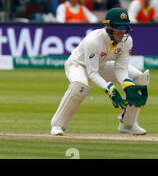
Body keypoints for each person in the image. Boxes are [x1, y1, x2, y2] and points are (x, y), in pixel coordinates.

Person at [50, 7, 150, 136]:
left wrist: (127, 84)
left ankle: (128, 124)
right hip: (78, 65)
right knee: (80, 86)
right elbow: (92, 73)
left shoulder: (127, 41)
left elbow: (121, 69)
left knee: (139, 78)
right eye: (118, 27)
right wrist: (110, 89)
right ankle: (58, 125)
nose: (122, 32)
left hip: (101, 65)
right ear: (109, 26)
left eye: (124, 27)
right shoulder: (94, 40)